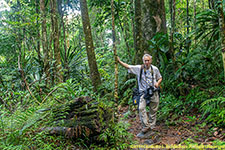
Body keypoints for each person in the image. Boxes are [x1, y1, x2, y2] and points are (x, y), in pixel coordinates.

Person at [117, 54, 162, 138]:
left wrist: (157, 83)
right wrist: (119, 61)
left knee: (153, 110)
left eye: (148, 60)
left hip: (153, 92)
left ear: (151, 61)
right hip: (143, 93)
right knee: (141, 108)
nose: (147, 62)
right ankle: (146, 126)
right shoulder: (139, 68)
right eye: (145, 60)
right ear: (143, 61)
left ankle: (151, 127)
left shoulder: (155, 69)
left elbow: (160, 78)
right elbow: (128, 67)